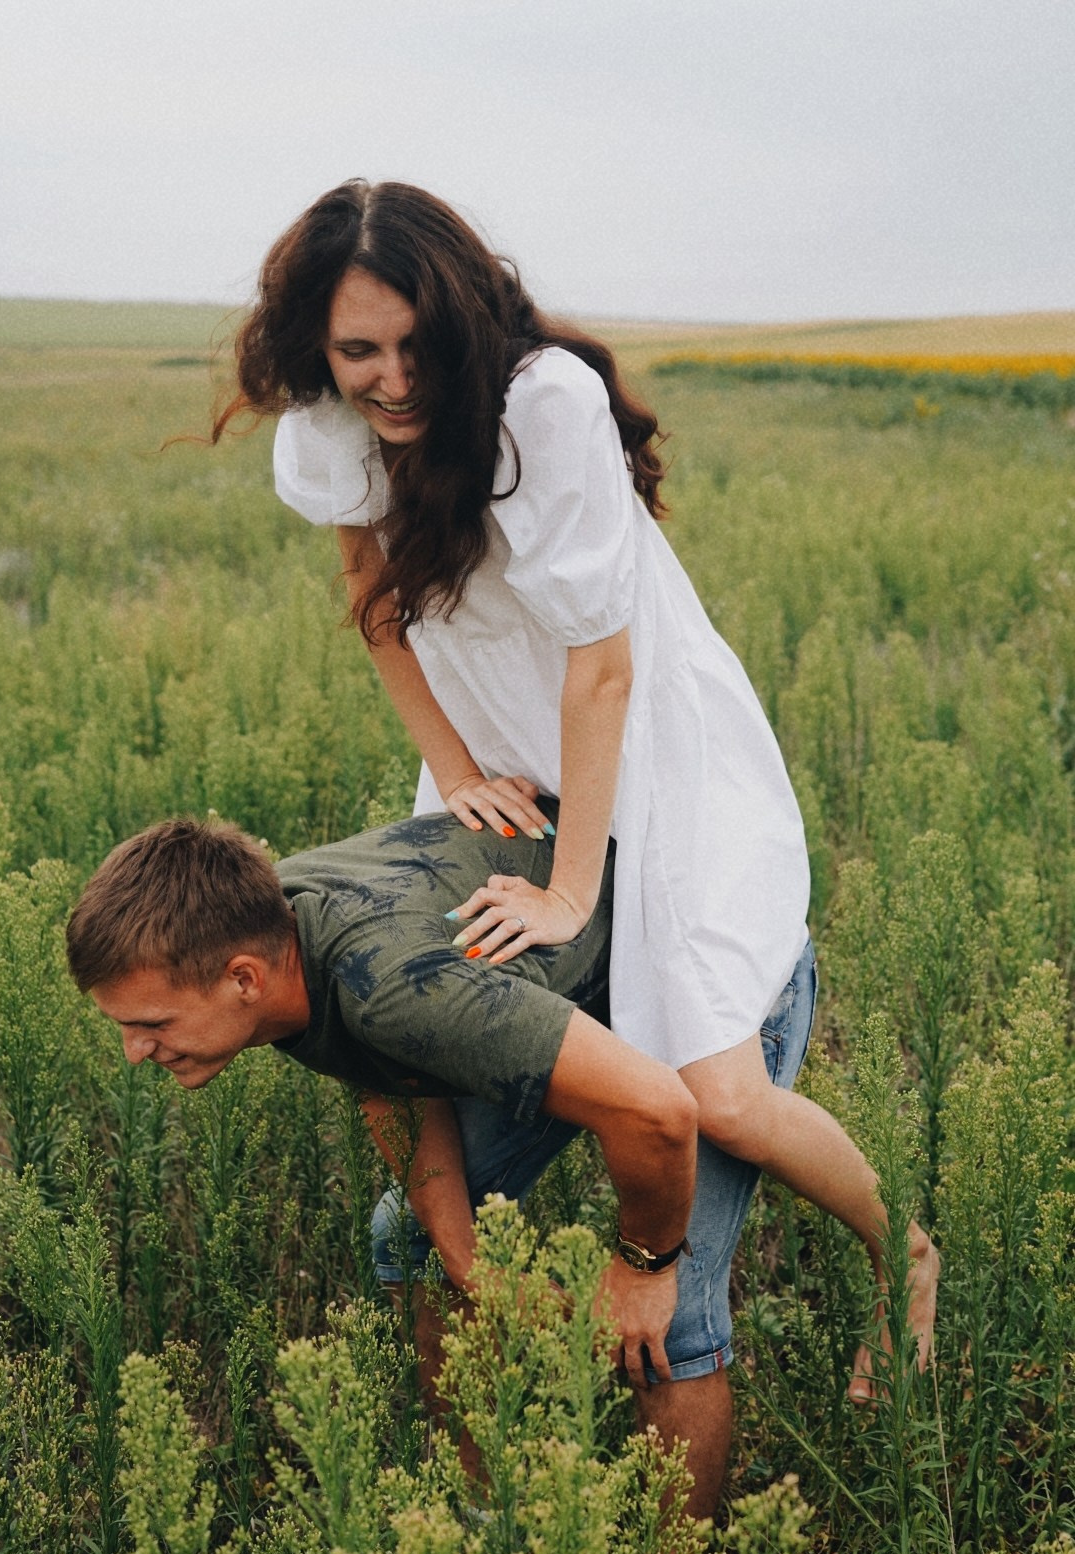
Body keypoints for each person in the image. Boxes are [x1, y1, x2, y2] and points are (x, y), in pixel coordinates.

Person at [214, 179, 937, 1400]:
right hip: (508, 760)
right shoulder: (335, 431)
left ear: (460, 317)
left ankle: (902, 1254)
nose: (391, 379)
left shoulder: (540, 406)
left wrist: (568, 888)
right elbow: (373, 602)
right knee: (462, 1042)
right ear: (317, 348)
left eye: (413, 344)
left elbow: (604, 673)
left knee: (724, 1095)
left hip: (655, 758)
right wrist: (452, 771)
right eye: (357, 351)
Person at [69, 810, 821, 1519]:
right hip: (573, 986)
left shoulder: (386, 985)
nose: (136, 1051)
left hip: (703, 952)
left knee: (674, 1318)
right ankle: (487, 1518)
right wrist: (471, 1264)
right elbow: (389, 1077)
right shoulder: (269, 931)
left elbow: (658, 1111)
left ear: (242, 980)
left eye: (151, 1025)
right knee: (418, 1235)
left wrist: (643, 1265)